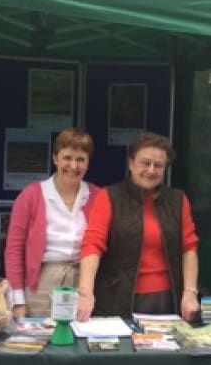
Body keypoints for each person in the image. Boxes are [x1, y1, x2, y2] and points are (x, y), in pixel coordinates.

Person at [76, 132, 200, 321]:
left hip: (168, 300)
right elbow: (93, 244)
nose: (151, 170)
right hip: (116, 299)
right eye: (145, 162)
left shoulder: (178, 200)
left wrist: (190, 292)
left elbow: (189, 248)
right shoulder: (109, 196)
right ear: (131, 163)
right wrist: (86, 292)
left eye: (158, 165)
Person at [4, 128, 99, 318]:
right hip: (40, 284)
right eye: (67, 158)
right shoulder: (31, 196)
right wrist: (18, 301)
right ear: (55, 158)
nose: (73, 166)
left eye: (81, 159)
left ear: (88, 163)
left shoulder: (98, 196)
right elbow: (14, 250)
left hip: (84, 284)